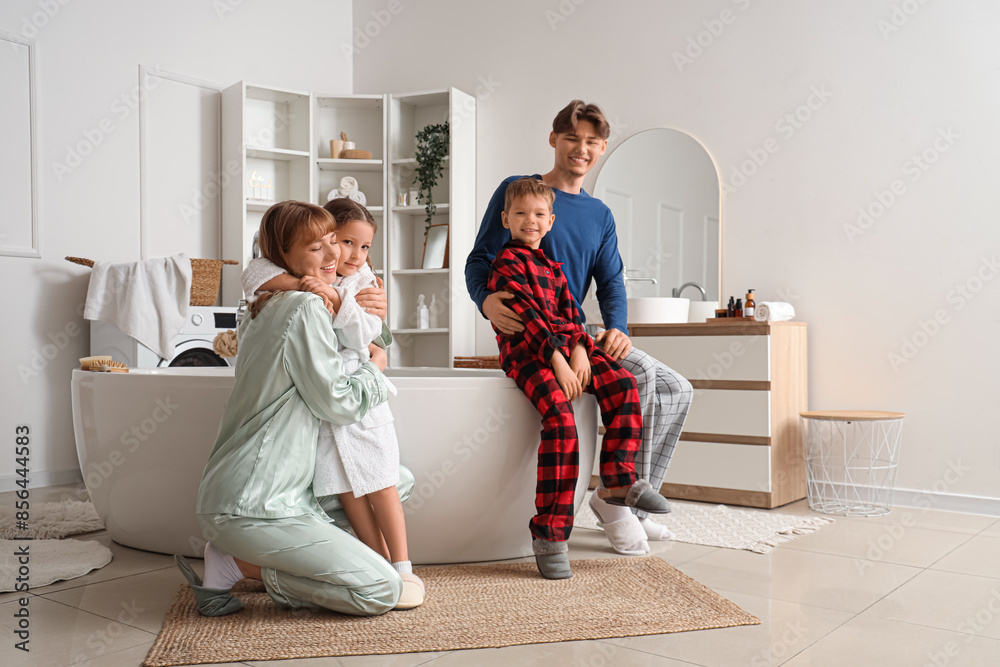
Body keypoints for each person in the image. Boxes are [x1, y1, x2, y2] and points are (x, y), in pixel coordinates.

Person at [466, 100, 694, 554]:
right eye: (571, 138)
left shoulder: (600, 215)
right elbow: (480, 258)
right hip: (531, 328)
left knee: (678, 389)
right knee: (643, 377)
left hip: (577, 331)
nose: (581, 149)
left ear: (602, 148)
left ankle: (624, 499)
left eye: (591, 141)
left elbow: (611, 281)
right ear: (554, 140)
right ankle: (616, 506)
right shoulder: (519, 192)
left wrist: (618, 326)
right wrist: (486, 300)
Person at [174, 200, 418, 617]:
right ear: (282, 256)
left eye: (332, 243)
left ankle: (337, 561)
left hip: (264, 490)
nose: (334, 256)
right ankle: (240, 564)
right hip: (258, 501)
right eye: (316, 248)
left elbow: (358, 322)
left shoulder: (254, 305)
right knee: (381, 590)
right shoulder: (305, 306)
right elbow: (339, 404)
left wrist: (369, 316)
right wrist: (377, 368)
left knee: (394, 479)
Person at [241, 198, 422, 607]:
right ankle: (376, 562)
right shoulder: (304, 275)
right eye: (343, 243)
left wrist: (340, 301)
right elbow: (254, 274)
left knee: (380, 480)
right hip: (324, 402)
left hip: (358, 396)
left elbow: (369, 335)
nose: (353, 255)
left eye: (364, 247)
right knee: (345, 487)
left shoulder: (361, 281)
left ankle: (403, 565)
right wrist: (307, 285)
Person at [487, 178, 670, 580]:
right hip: (529, 357)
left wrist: (582, 349)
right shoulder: (506, 264)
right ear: (505, 219)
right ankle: (551, 535)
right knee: (561, 422)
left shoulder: (553, 268)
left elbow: (573, 318)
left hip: (567, 351)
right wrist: (560, 360)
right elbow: (529, 321)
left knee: (623, 384)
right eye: (520, 214)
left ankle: (619, 481)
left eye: (538, 215)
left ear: (550, 221)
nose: (530, 221)